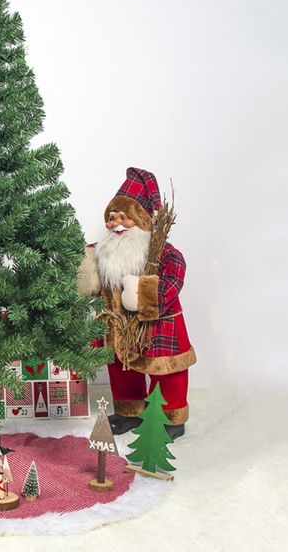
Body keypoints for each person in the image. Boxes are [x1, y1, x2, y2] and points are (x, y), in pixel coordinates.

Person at [78, 167, 196, 439]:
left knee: (166, 369)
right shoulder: (104, 251)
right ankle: (128, 412)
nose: (117, 224)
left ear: (142, 220)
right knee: (122, 367)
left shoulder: (162, 253)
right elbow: (90, 280)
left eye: (125, 217)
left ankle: (171, 418)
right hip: (118, 323)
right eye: (112, 218)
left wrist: (145, 293)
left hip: (157, 325)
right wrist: (85, 267)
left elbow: (175, 277)